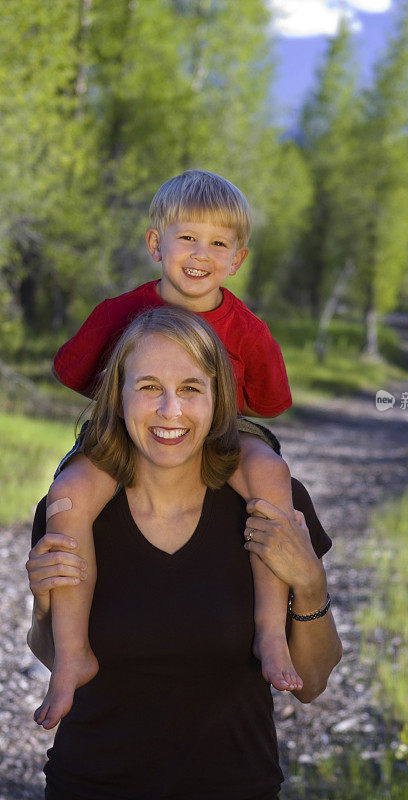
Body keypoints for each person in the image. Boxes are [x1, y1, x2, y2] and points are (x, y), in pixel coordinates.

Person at [26, 307, 343, 800]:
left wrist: (311, 586)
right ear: (120, 395)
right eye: (149, 386)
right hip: (91, 784)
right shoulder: (74, 511)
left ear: (217, 401)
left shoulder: (271, 506)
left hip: (237, 787)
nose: (170, 410)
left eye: (191, 388)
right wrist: (45, 607)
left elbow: (312, 683)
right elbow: (51, 652)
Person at [37, 170, 302, 731]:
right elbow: (74, 369)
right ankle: (71, 655)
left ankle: (271, 633)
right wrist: (133, 414)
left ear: (238, 258)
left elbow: (270, 402)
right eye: (187, 237)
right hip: (127, 435)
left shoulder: (247, 329)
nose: (200, 253)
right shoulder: (119, 312)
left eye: (218, 243)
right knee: (66, 497)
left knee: (273, 474)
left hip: (221, 433)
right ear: (156, 243)